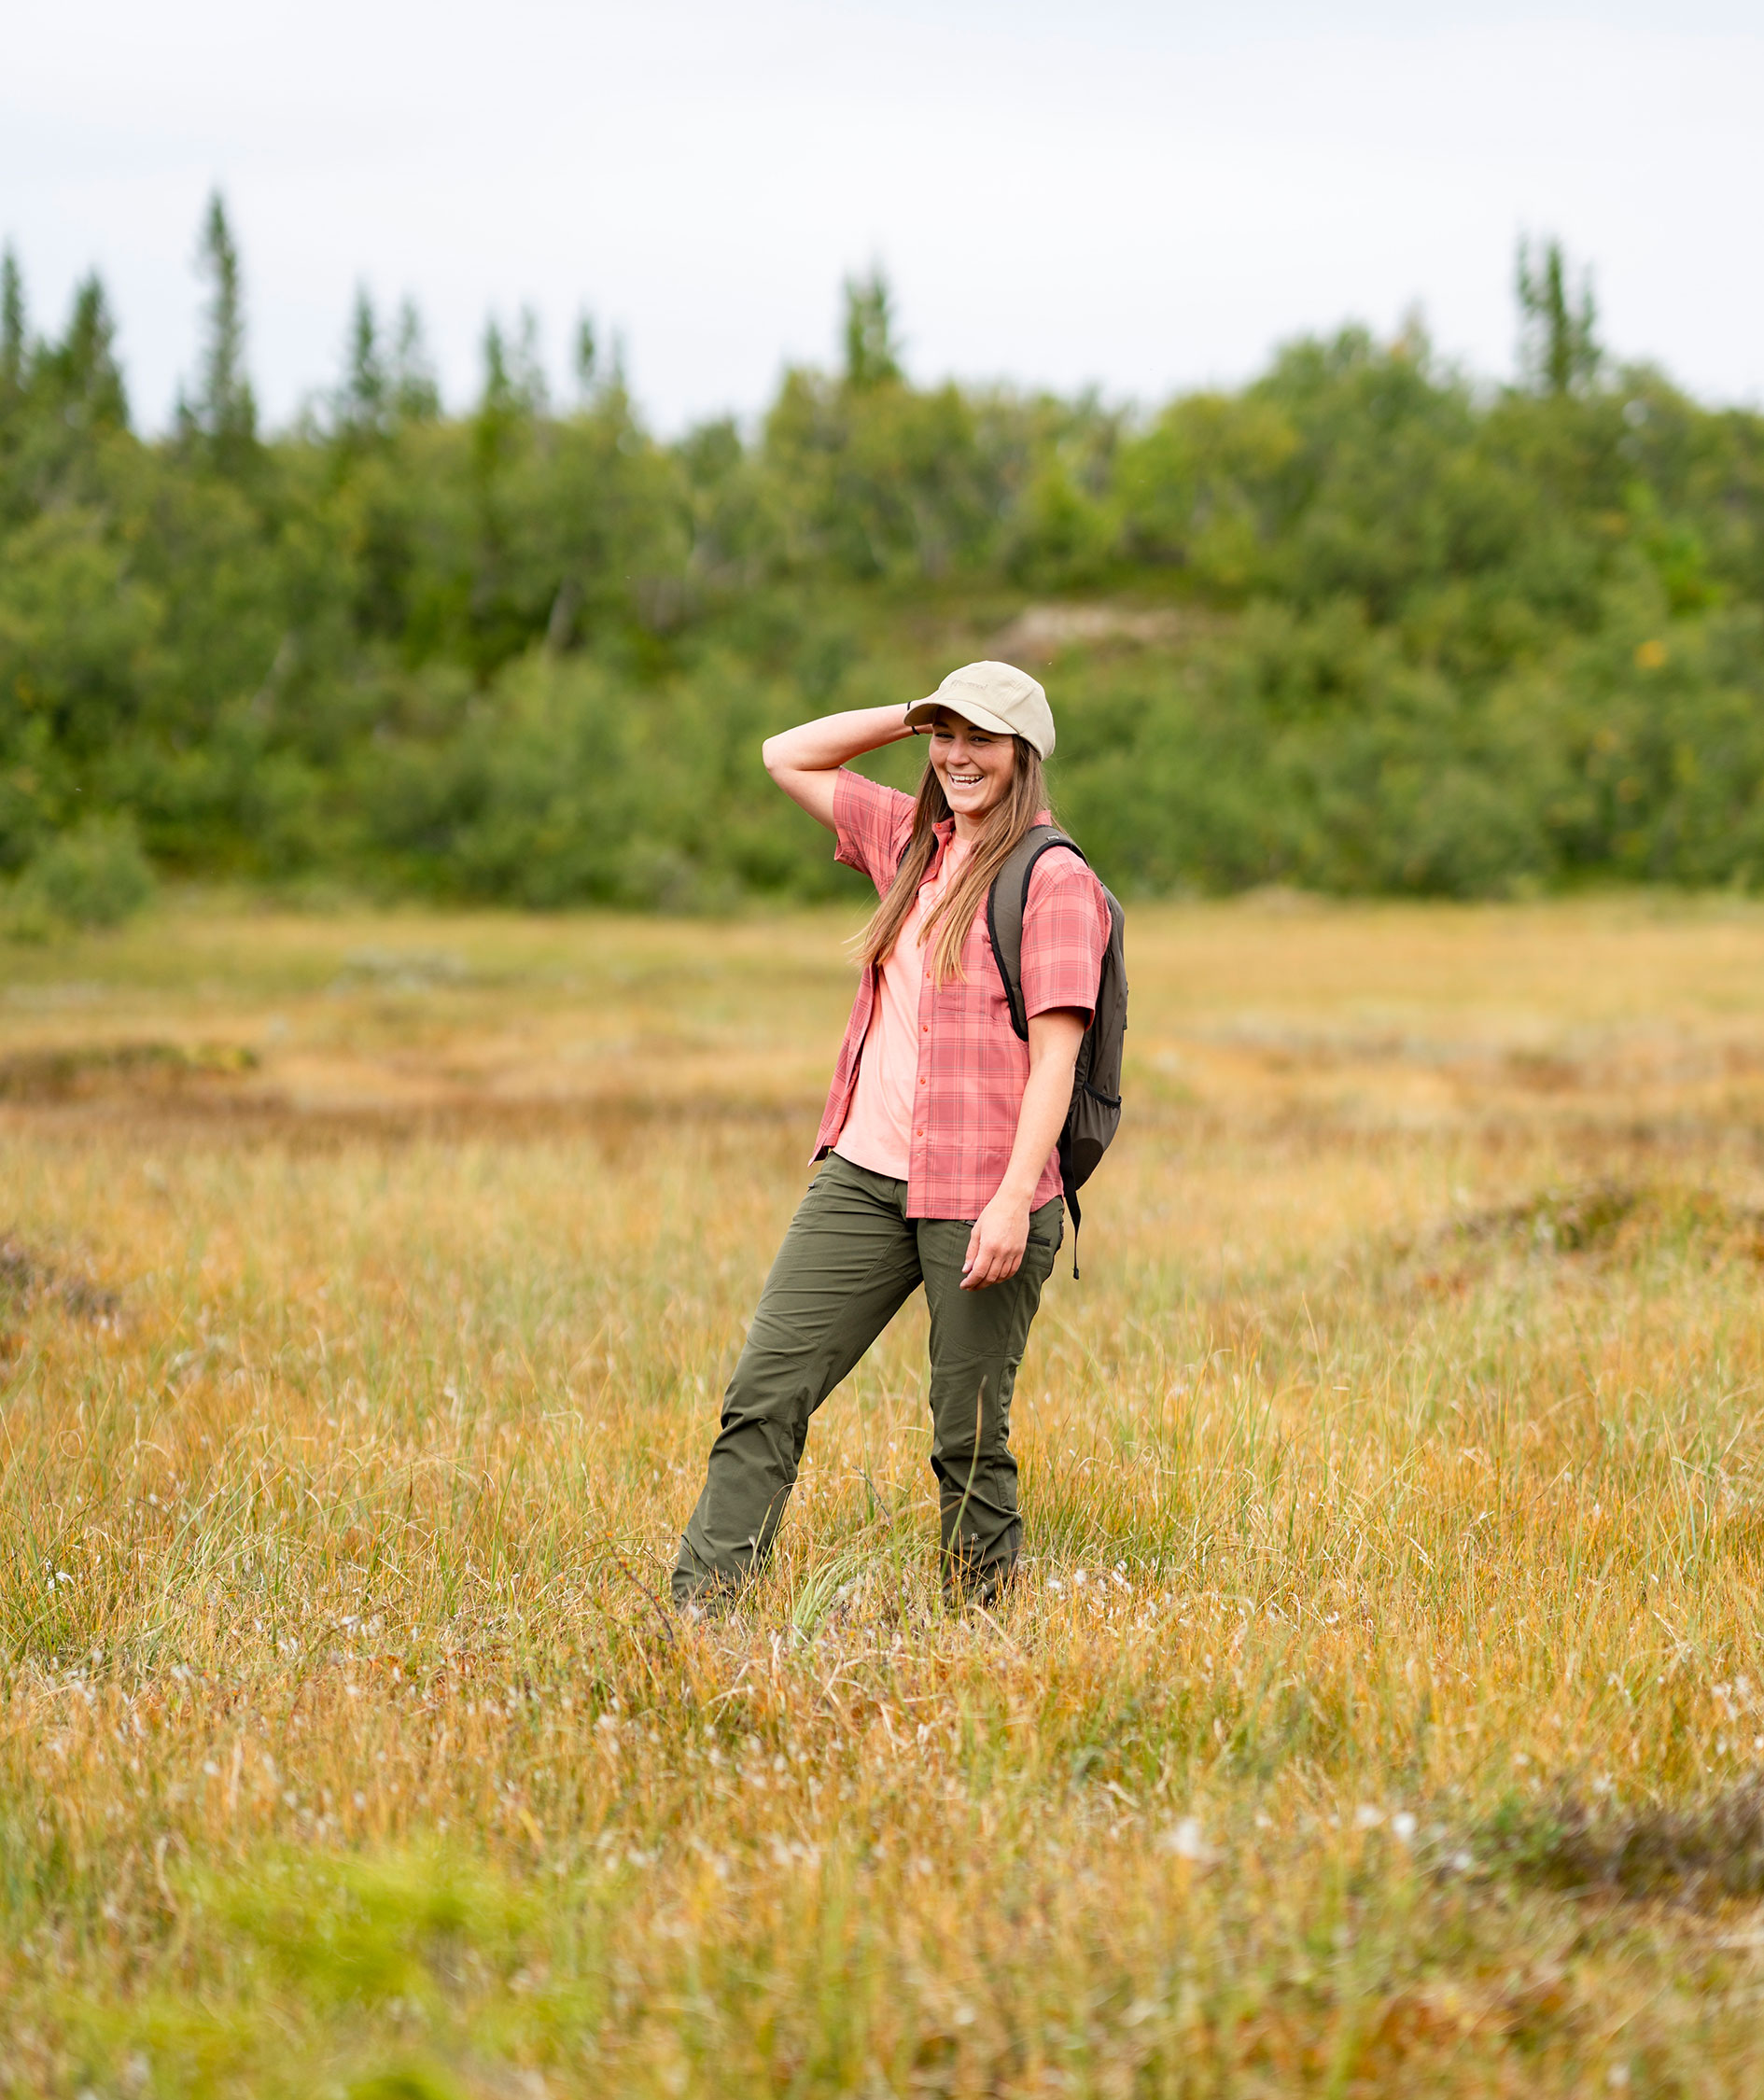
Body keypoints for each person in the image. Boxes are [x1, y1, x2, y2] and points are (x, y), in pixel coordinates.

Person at [671, 661, 1113, 1611]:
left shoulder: (1054, 880)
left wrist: (1012, 1201)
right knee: (764, 1394)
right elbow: (784, 755)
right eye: (946, 736)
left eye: (980, 739)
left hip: (984, 1194)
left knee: (968, 1436)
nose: (958, 756)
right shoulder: (911, 841)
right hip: (863, 1178)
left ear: (1024, 754)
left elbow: (1057, 1059)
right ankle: (702, 1613)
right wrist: (914, 714)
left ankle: (984, 1627)